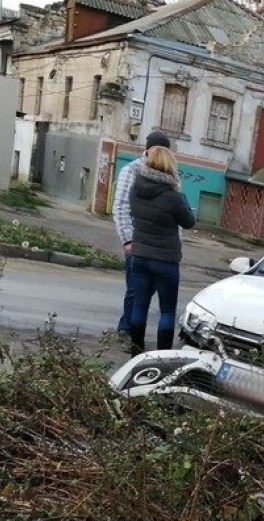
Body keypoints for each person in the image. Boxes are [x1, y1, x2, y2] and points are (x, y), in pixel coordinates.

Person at [127, 145, 196, 354]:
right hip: (165, 260)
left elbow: (133, 214)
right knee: (167, 311)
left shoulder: (135, 189)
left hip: (139, 256)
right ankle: (162, 356)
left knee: (139, 306)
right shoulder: (172, 196)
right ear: (169, 167)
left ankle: (135, 353)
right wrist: (180, 193)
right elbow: (188, 222)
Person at [113, 131, 171, 339]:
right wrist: (127, 240)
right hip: (137, 242)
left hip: (160, 246)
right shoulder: (132, 171)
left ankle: (131, 328)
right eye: (156, 150)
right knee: (136, 289)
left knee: (148, 290)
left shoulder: (168, 174)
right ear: (147, 150)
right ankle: (127, 329)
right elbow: (120, 207)